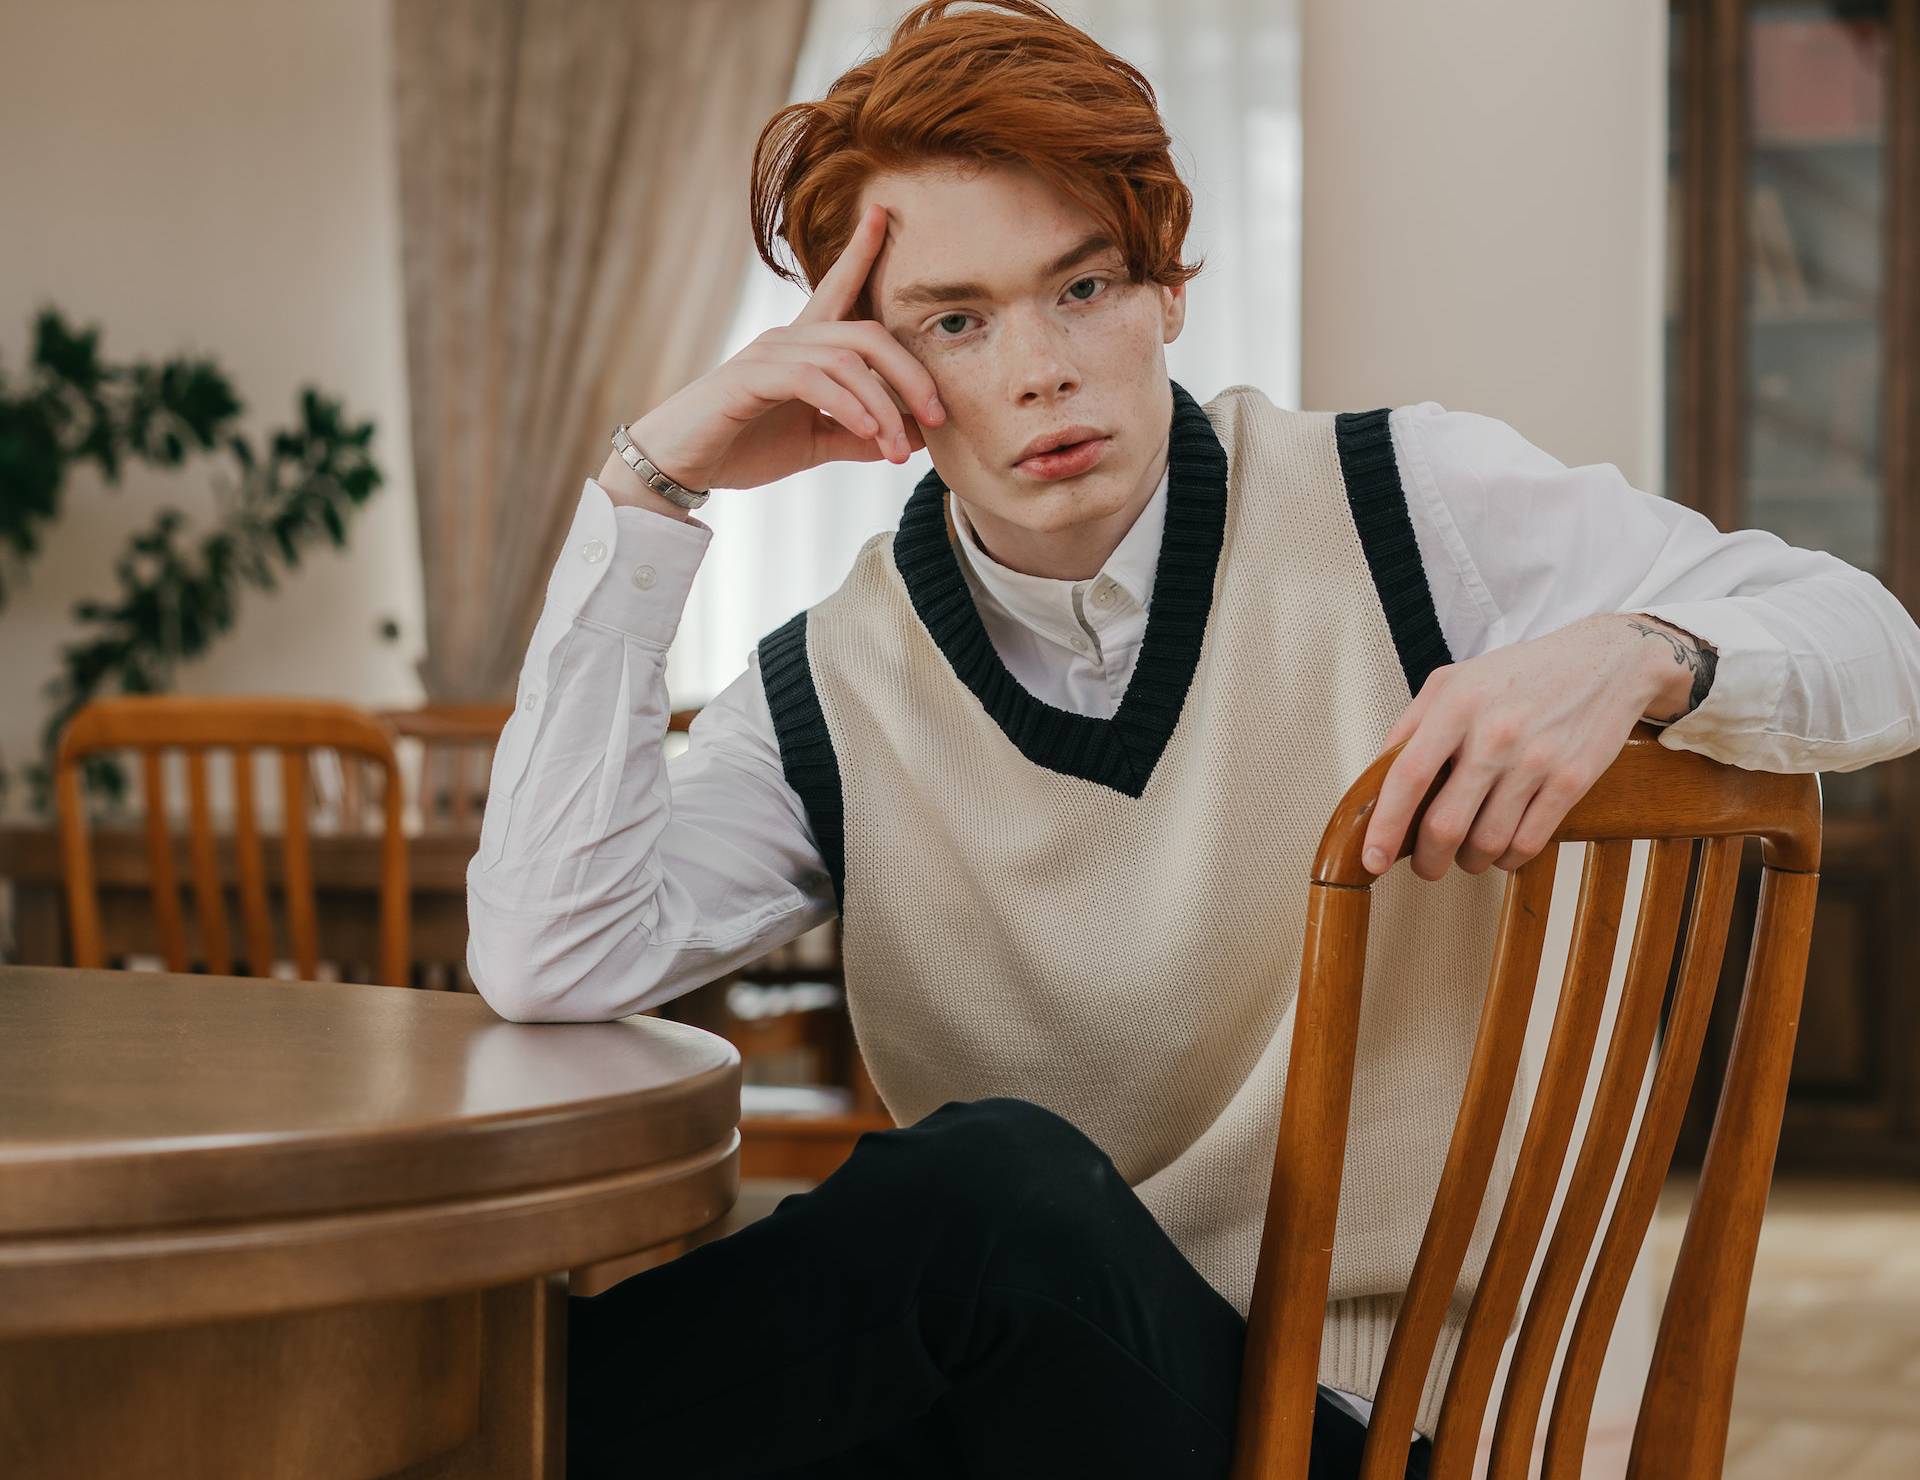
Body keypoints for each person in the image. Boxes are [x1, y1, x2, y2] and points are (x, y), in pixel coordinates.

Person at [464, 3, 1920, 1475]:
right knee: (857, 1271)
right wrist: (653, 489)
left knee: (977, 1203)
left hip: (1362, 1426)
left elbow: (1877, 646)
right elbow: (551, 956)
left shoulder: (1404, 507)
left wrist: (1637, 654)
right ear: (873, 371)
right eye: (957, 321)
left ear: (1167, 287)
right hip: (1023, 1414)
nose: (1040, 366)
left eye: (1083, 287)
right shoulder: (834, 683)